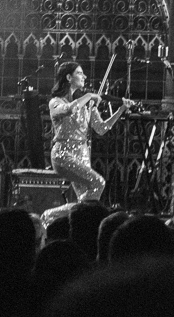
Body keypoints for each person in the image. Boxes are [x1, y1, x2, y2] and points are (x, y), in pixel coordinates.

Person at [41, 61, 132, 229]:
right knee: (99, 183)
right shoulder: (55, 102)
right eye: (79, 73)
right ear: (69, 77)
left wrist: (121, 110)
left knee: (88, 202)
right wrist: (89, 96)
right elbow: (68, 109)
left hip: (82, 153)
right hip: (63, 153)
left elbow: (101, 128)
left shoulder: (87, 105)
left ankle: (66, 223)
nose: (84, 76)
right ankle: (50, 215)